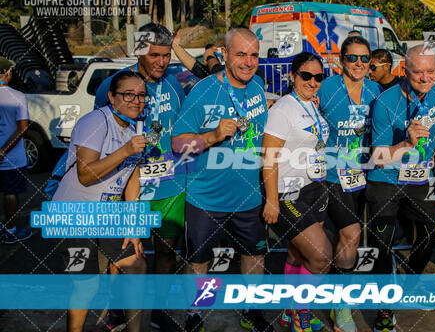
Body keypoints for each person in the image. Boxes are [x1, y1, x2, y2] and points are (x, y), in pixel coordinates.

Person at [172, 27, 272, 332]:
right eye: (241, 54)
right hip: (206, 198)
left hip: (250, 196)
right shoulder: (204, 91)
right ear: (224, 55)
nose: (249, 61)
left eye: (254, 54)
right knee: (199, 261)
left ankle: (250, 309)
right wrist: (214, 136)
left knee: (254, 256)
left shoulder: (256, 86)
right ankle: (197, 314)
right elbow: (177, 143)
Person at [94, 23, 186, 331]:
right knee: (125, 256)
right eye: (155, 55)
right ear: (139, 52)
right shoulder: (111, 86)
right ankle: (118, 311)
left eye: (166, 55)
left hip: (169, 186)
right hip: (125, 187)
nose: (162, 62)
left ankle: (160, 311)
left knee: (166, 252)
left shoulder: (174, 83)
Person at [367, 45, 435, 331]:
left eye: (431, 71)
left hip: (419, 179)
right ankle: (383, 307)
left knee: (432, 233)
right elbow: (378, 158)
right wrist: (406, 143)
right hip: (386, 180)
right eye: (418, 72)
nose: (425, 77)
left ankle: (409, 281)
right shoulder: (385, 102)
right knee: (382, 240)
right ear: (405, 71)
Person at [53, 71, 148, 332]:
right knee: (86, 284)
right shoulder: (95, 121)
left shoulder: (135, 128)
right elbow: (85, 174)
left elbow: (132, 179)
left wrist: (133, 226)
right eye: (128, 94)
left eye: (141, 95)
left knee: (136, 264)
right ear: (112, 97)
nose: (136, 101)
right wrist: (126, 150)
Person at [317, 35, 383, 332]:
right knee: (351, 234)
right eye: (352, 58)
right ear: (341, 60)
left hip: (366, 175)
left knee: (348, 241)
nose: (358, 63)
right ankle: (340, 307)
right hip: (333, 176)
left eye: (364, 58)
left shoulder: (376, 90)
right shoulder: (327, 87)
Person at [262, 52, 330, 332]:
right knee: (322, 256)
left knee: (297, 255)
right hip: (289, 193)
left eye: (318, 77)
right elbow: (269, 156)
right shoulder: (283, 109)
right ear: (292, 76)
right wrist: (271, 200)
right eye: (306, 76)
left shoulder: (311, 105)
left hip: (315, 188)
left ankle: (292, 313)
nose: (312, 82)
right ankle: (300, 311)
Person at [0, 59, 33, 244]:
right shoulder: (17, 96)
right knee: (10, 192)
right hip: (12, 157)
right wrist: (3, 151)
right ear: (8, 73)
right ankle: (11, 230)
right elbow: (22, 127)